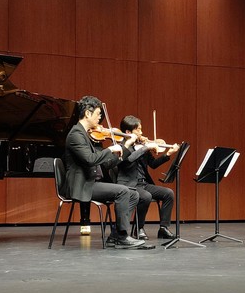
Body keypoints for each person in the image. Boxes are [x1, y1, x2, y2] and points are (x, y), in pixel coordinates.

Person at [63, 95, 144, 249]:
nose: (100, 118)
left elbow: (106, 163)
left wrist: (126, 146)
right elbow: (90, 160)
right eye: (98, 114)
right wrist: (110, 149)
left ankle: (115, 235)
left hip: (91, 182)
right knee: (123, 191)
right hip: (83, 185)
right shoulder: (76, 134)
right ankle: (122, 236)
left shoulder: (86, 134)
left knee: (133, 194)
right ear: (88, 113)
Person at [116, 115, 180, 245]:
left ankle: (163, 228)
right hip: (129, 185)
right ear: (128, 132)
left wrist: (168, 154)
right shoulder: (122, 147)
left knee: (168, 193)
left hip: (143, 183)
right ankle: (139, 228)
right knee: (146, 196)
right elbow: (129, 160)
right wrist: (145, 147)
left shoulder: (141, 145)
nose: (141, 133)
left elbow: (153, 164)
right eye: (138, 130)